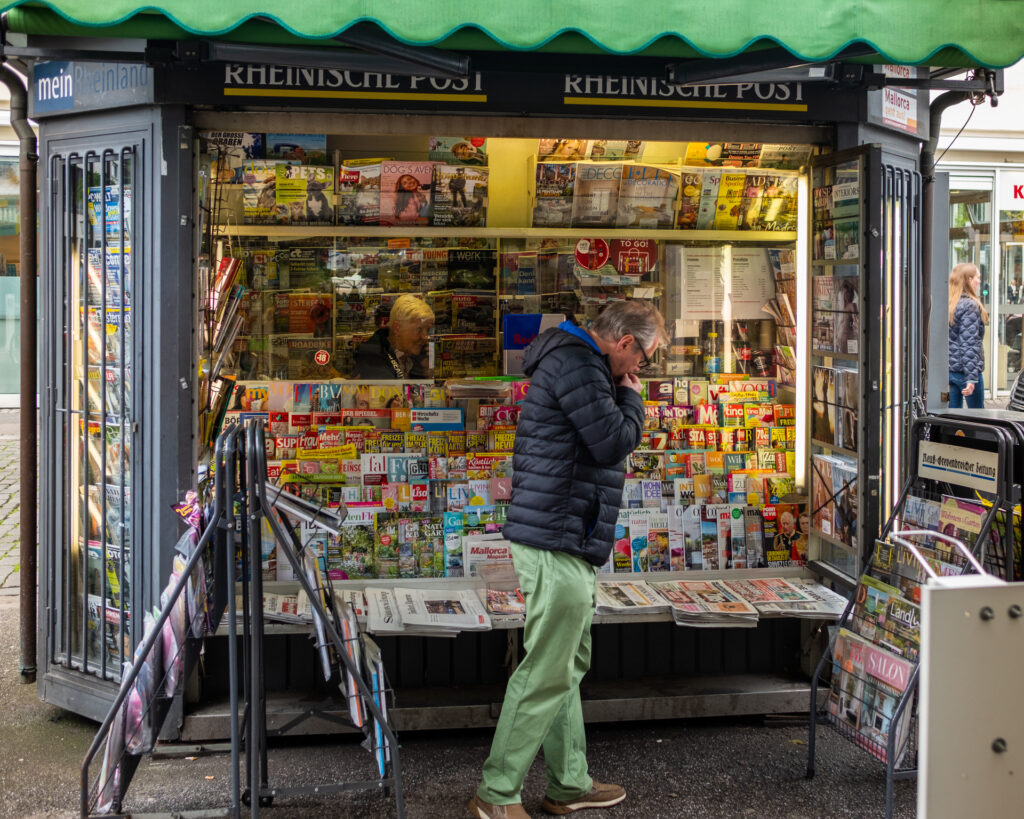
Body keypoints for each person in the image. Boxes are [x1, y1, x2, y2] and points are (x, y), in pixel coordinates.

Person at [469, 300, 666, 819]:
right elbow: (612, 442)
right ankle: (496, 794)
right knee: (546, 670)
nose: (641, 368)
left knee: (566, 664)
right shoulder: (579, 364)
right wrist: (632, 399)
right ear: (624, 342)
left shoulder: (579, 361)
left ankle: (569, 782)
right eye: (643, 358)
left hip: (563, 534)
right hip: (556, 536)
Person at [351, 294, 434, 379]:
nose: (425, 337)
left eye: (427, 330)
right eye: (419, 329)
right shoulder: (373, 359)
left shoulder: (411, 357)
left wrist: (427, 371)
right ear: (397, 328)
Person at [948, 262, 989, 409]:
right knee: (978, 417)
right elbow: (968, 343)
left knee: (951, 417)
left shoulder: (949, 303)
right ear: (969, 280)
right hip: (966, 372)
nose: (979, 281)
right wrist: (971, 378)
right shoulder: (970, 306)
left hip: (950, 371)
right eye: (977, 277)